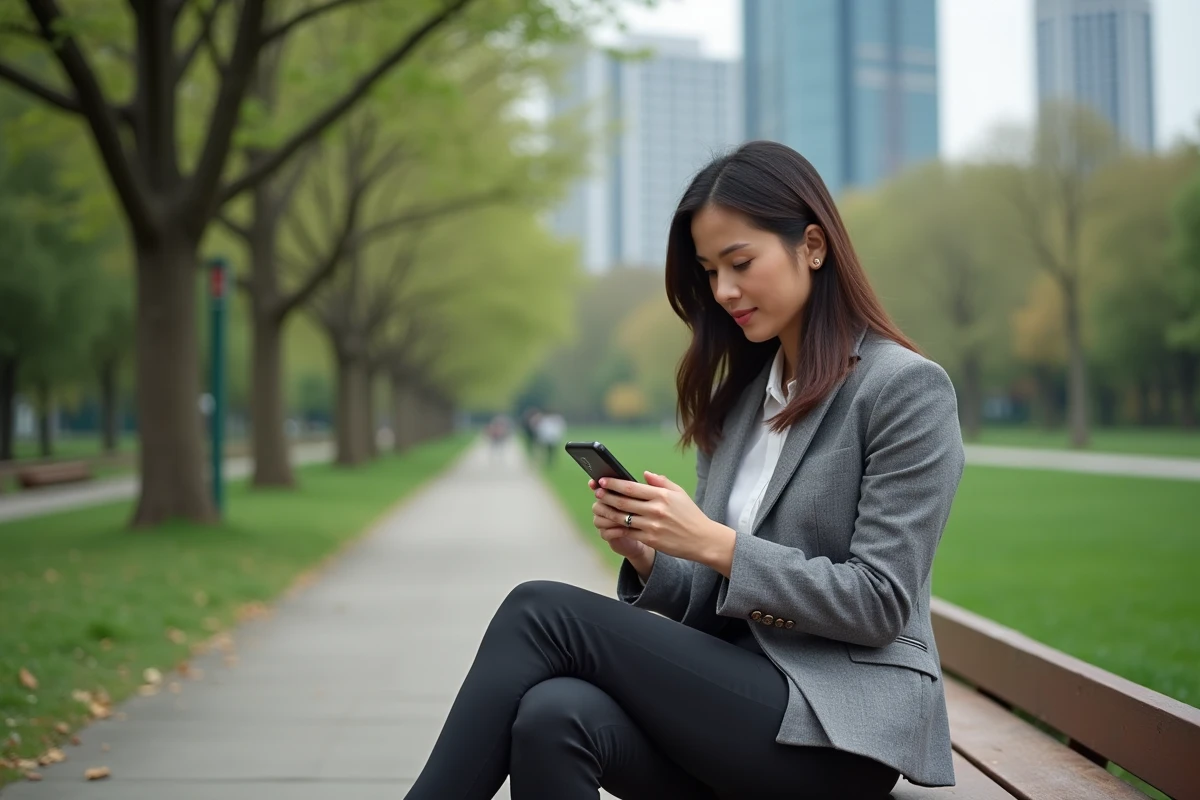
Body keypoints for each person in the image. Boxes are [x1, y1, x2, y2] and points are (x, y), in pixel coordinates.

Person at [404, 141, 965, 799]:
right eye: (708, 271)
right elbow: (717, 604)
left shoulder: (903, 389)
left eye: (740, 262)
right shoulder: (740, 409)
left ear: (812, 245)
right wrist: (651, 555)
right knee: (552, 716)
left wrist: (713, 542)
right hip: (740, 701)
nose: (723, 291)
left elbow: (879, 601)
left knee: (540, 611)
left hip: (840, 727)